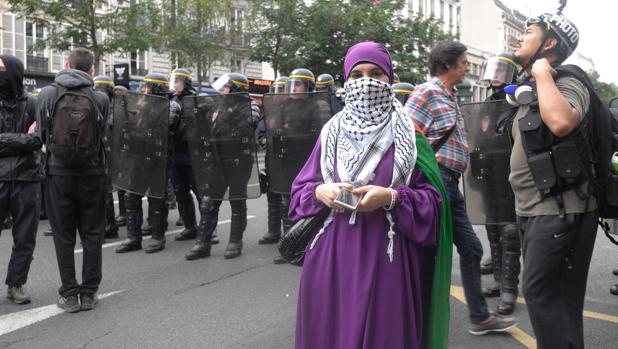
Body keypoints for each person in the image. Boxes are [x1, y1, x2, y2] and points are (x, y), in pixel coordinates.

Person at [291, 41, 452, 349]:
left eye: (376, 73)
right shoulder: (331, 132)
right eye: (357, 74)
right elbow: (300, 193)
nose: (366, 82)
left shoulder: (411, 136)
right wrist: (320, 191)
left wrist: (391, 197)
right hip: (331, 259)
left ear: (389, 79)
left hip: (387, 259)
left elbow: (434, 206)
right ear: (346, 82)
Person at [405, 40, 517, 334]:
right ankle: (415, 320)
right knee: (435, 251)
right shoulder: (426, 92)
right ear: (447, 65)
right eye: (464, 62)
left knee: (471, 250)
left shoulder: (450, 95)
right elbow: (405, 137)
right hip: (436, 180)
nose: (468, 66)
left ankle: (478, 318)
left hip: (451, 183)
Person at [509, 12, 597, 348]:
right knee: (557, 300)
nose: (519, 37)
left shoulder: (568, 80)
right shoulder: (530, 87)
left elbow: (561, 122)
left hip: (560, 209)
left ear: (549, 43)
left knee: (542, 293)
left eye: (527, 32)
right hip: (534, 209)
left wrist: (543, 71)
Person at [35, 48, 109, 313]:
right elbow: (101, 134)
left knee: (63, 236)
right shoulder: (99, 98)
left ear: (66, 65)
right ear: (91, 70)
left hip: (58, 173)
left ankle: (69, 294)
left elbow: (41, 137)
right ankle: (89, 293)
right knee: (92, 234)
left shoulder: (47, 94)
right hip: (92, 174)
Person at [185, 72, 259, 260]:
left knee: (237, 199)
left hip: (238, 161)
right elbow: (205, 131)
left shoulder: (249, 106)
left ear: (236, 89)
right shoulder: (216, 105)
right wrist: (198, 115)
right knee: (209, 201)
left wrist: (227, 115)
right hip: (217, 160)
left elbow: (245, 128)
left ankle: (235, 241)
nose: (222, 90)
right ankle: (203, 243)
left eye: (226, 87)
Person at [469, 52, 521, 315]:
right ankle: (500, 282)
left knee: (510, 233)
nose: (496, 77)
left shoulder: (518, 102)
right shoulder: (487, 104)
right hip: (490, 175)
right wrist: (475, 170)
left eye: (502, 72)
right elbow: (478, 139)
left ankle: (510, 289)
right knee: (492, 229)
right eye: (494, 71)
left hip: (511, 177)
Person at [115, 73, 180, 254]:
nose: (142, 90)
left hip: (159, 158)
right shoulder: (140, 105)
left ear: (157, 89)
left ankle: (158, 237)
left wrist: (146, 110)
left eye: (147, 87)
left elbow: (159, 131)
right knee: (131, 196)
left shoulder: (170, 107)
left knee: (156, 197)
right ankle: (133, 238)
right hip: (138, 156)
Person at [0, 54, 42, 305]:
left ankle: (16, 283)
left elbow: (38, 139)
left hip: (27, 178)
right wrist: (21, 140)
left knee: (25, 236)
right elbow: (29, 140)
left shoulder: (33, 104)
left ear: (14, 72)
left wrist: (5, 140)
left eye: (2, 69)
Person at [93, 75, 119, 241]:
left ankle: (108, 226)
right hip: (100, 152)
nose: (96, 91)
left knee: (104, 192)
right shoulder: (98, 105)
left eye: (99, 87)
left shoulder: (114, 108)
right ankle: (109, 225)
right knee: (102, 192)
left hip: (111, 154)